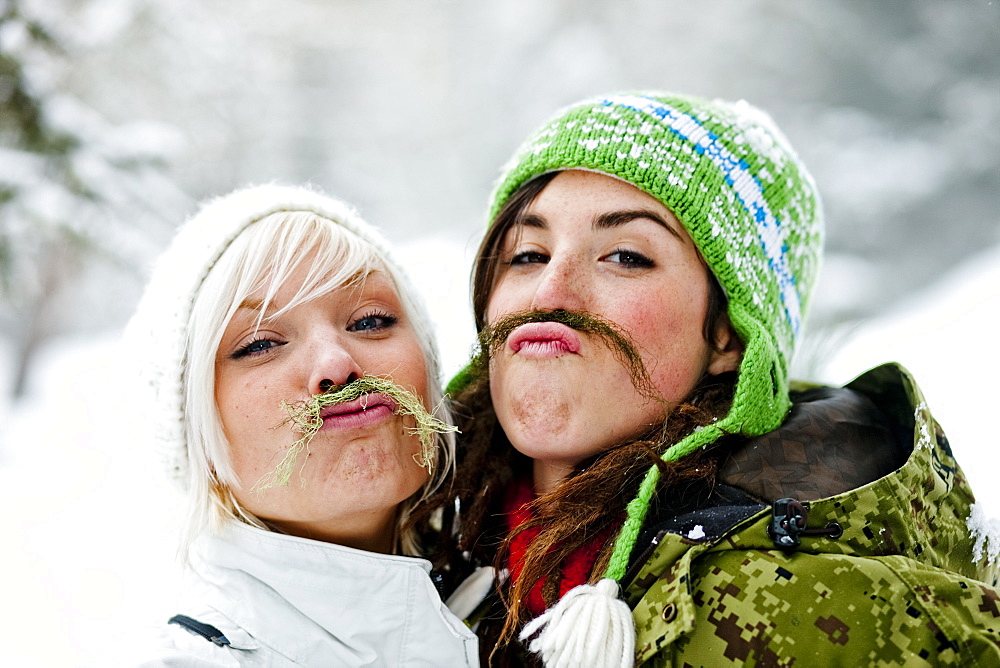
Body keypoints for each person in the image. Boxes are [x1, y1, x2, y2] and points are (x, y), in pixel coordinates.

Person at [424, 93, 1000, 666]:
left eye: (625, 256)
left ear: (729, 336)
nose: (550, 291)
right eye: (527, 254)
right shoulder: (425, 556)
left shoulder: (806, 614)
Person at [123, 184, 478, 666]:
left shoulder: (519, 601)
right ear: (195, 431)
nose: (337, 364)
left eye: (370, 321)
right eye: (259, 345)